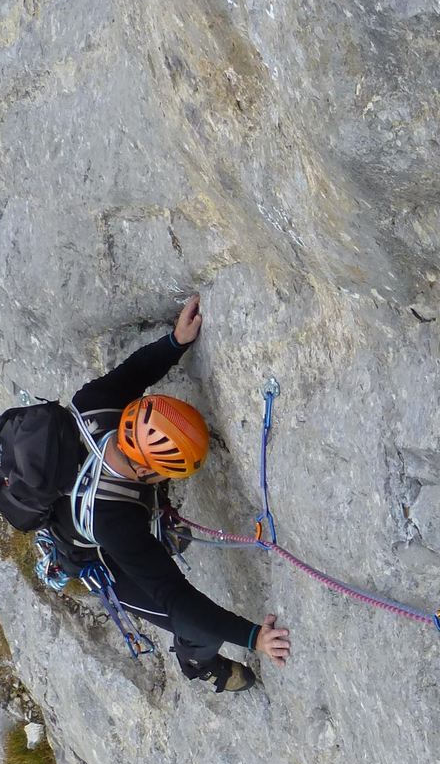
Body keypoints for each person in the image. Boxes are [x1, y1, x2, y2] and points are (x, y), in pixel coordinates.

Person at [59, 295, 290, 693]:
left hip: (90, 503)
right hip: (99, 557)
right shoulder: (114, 523)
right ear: (145, 470)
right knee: (196, 629)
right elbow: (179, 601)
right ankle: (199, 664)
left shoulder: (95, 408)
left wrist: (175, 342)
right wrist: (254, 638)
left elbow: (132, 373)